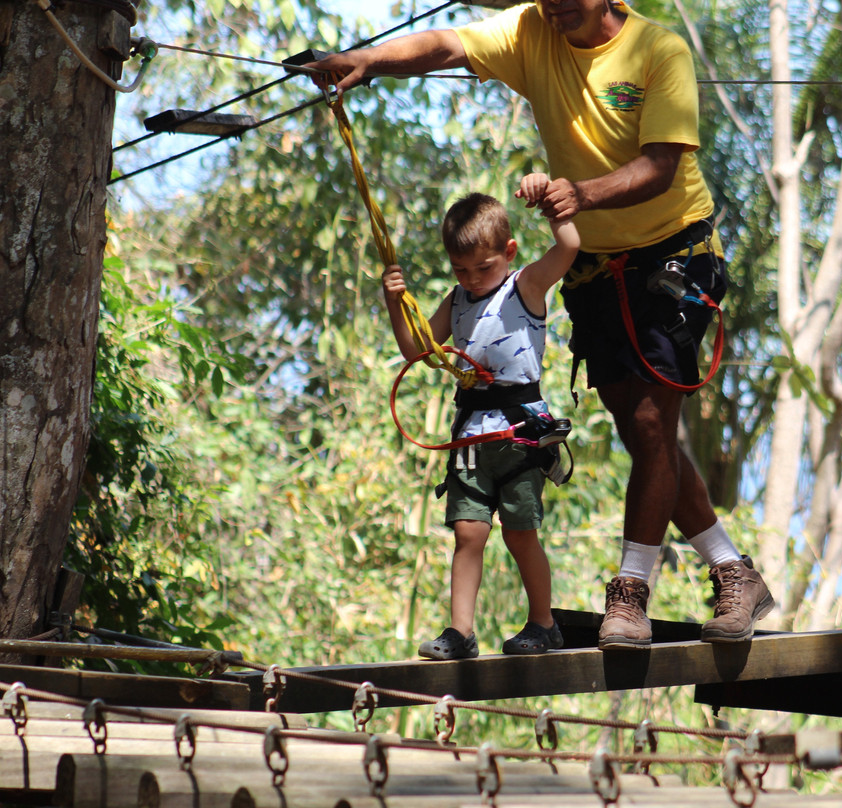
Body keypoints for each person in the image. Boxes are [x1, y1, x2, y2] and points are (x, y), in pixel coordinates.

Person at [311, 0, 774, 650]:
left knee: (649, 426)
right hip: (595, 267)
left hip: (673, 253)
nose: (553, 4)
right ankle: (732, 570)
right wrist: (365, 61)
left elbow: (662, 164)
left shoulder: (658, 51)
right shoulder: (532, 31)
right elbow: (447, 45)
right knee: (649, 433)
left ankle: (630, 593)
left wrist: (581, 194)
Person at [382, 174, 580, 659]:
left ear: (509, 252)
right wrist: (394, 302)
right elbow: (418, 351)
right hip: (472, 438)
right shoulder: (457, 301)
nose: (471, 278)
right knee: (468, 532)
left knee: (519, 531)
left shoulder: (525, 285)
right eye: (460, 269)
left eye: (482, 267)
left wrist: (556, 209)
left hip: (519, 434)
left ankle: (543, 623)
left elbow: (569, 248)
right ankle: (460, 632)